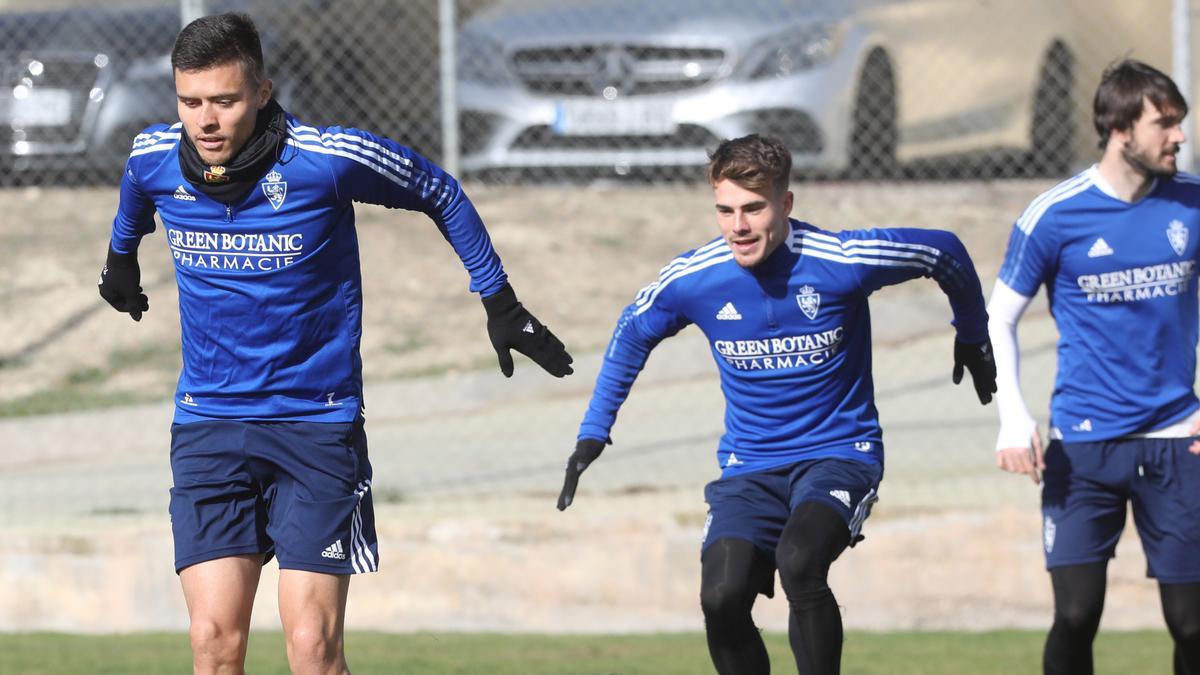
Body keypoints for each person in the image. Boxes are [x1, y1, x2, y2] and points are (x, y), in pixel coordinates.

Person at [96, 12, 572, 674]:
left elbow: (439, 189)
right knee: (212, 640)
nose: (205, 119)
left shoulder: (326, 160)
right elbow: (134, 194)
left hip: (316, 425)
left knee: (313, 649)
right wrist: (120, 260)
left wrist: (500, 300)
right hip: (208, 422)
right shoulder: (155, 157)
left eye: (225, 100)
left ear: (261, 92)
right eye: (191, 101)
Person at [556, 133, 996, 674]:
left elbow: (943, 249)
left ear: (785, 203)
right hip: (750, 466)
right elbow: (632, 332)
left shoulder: (841, 261)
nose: (737, 226)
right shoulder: (695, 278)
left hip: (841, 453)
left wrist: (973, 333)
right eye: (724, 210)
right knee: (720, 596)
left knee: (799, 561)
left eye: (753, 208)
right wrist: (594, 430)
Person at [989, 58, 1200, 675]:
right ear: (1119, 128)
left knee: (1192, 624)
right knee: (1077, 616)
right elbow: (996, 319)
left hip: (1176, 443)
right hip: (1083, 447)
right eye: (1164, 123)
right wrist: (1012, 417)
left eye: (1180, 123)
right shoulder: (1055, 215)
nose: (1179, 136)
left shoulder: (1191, 204)